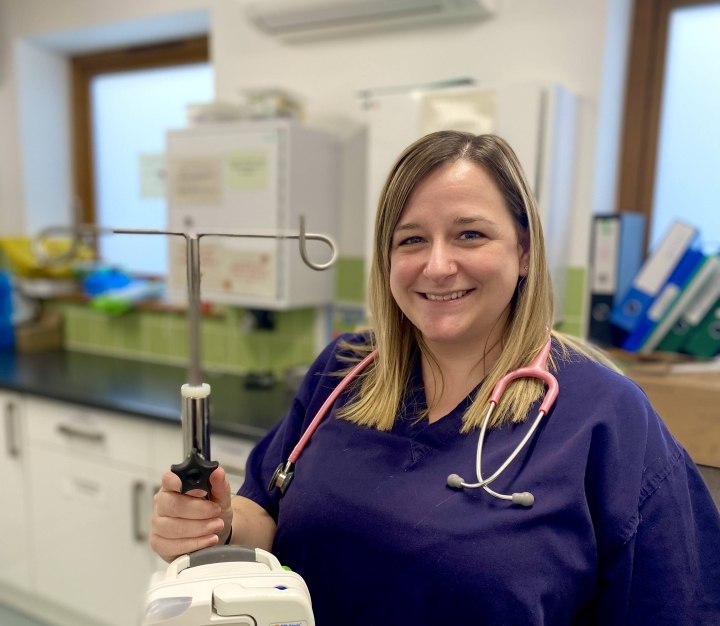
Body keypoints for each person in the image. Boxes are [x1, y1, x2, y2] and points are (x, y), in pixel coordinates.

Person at [151, 131, 720, 625]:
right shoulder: (344, 374)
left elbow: (675, 606)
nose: (438, 265)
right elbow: (265, 513)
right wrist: (219, 524)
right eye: (412, 239)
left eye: (470, 234)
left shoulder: (605, 418)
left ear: (523, 251)